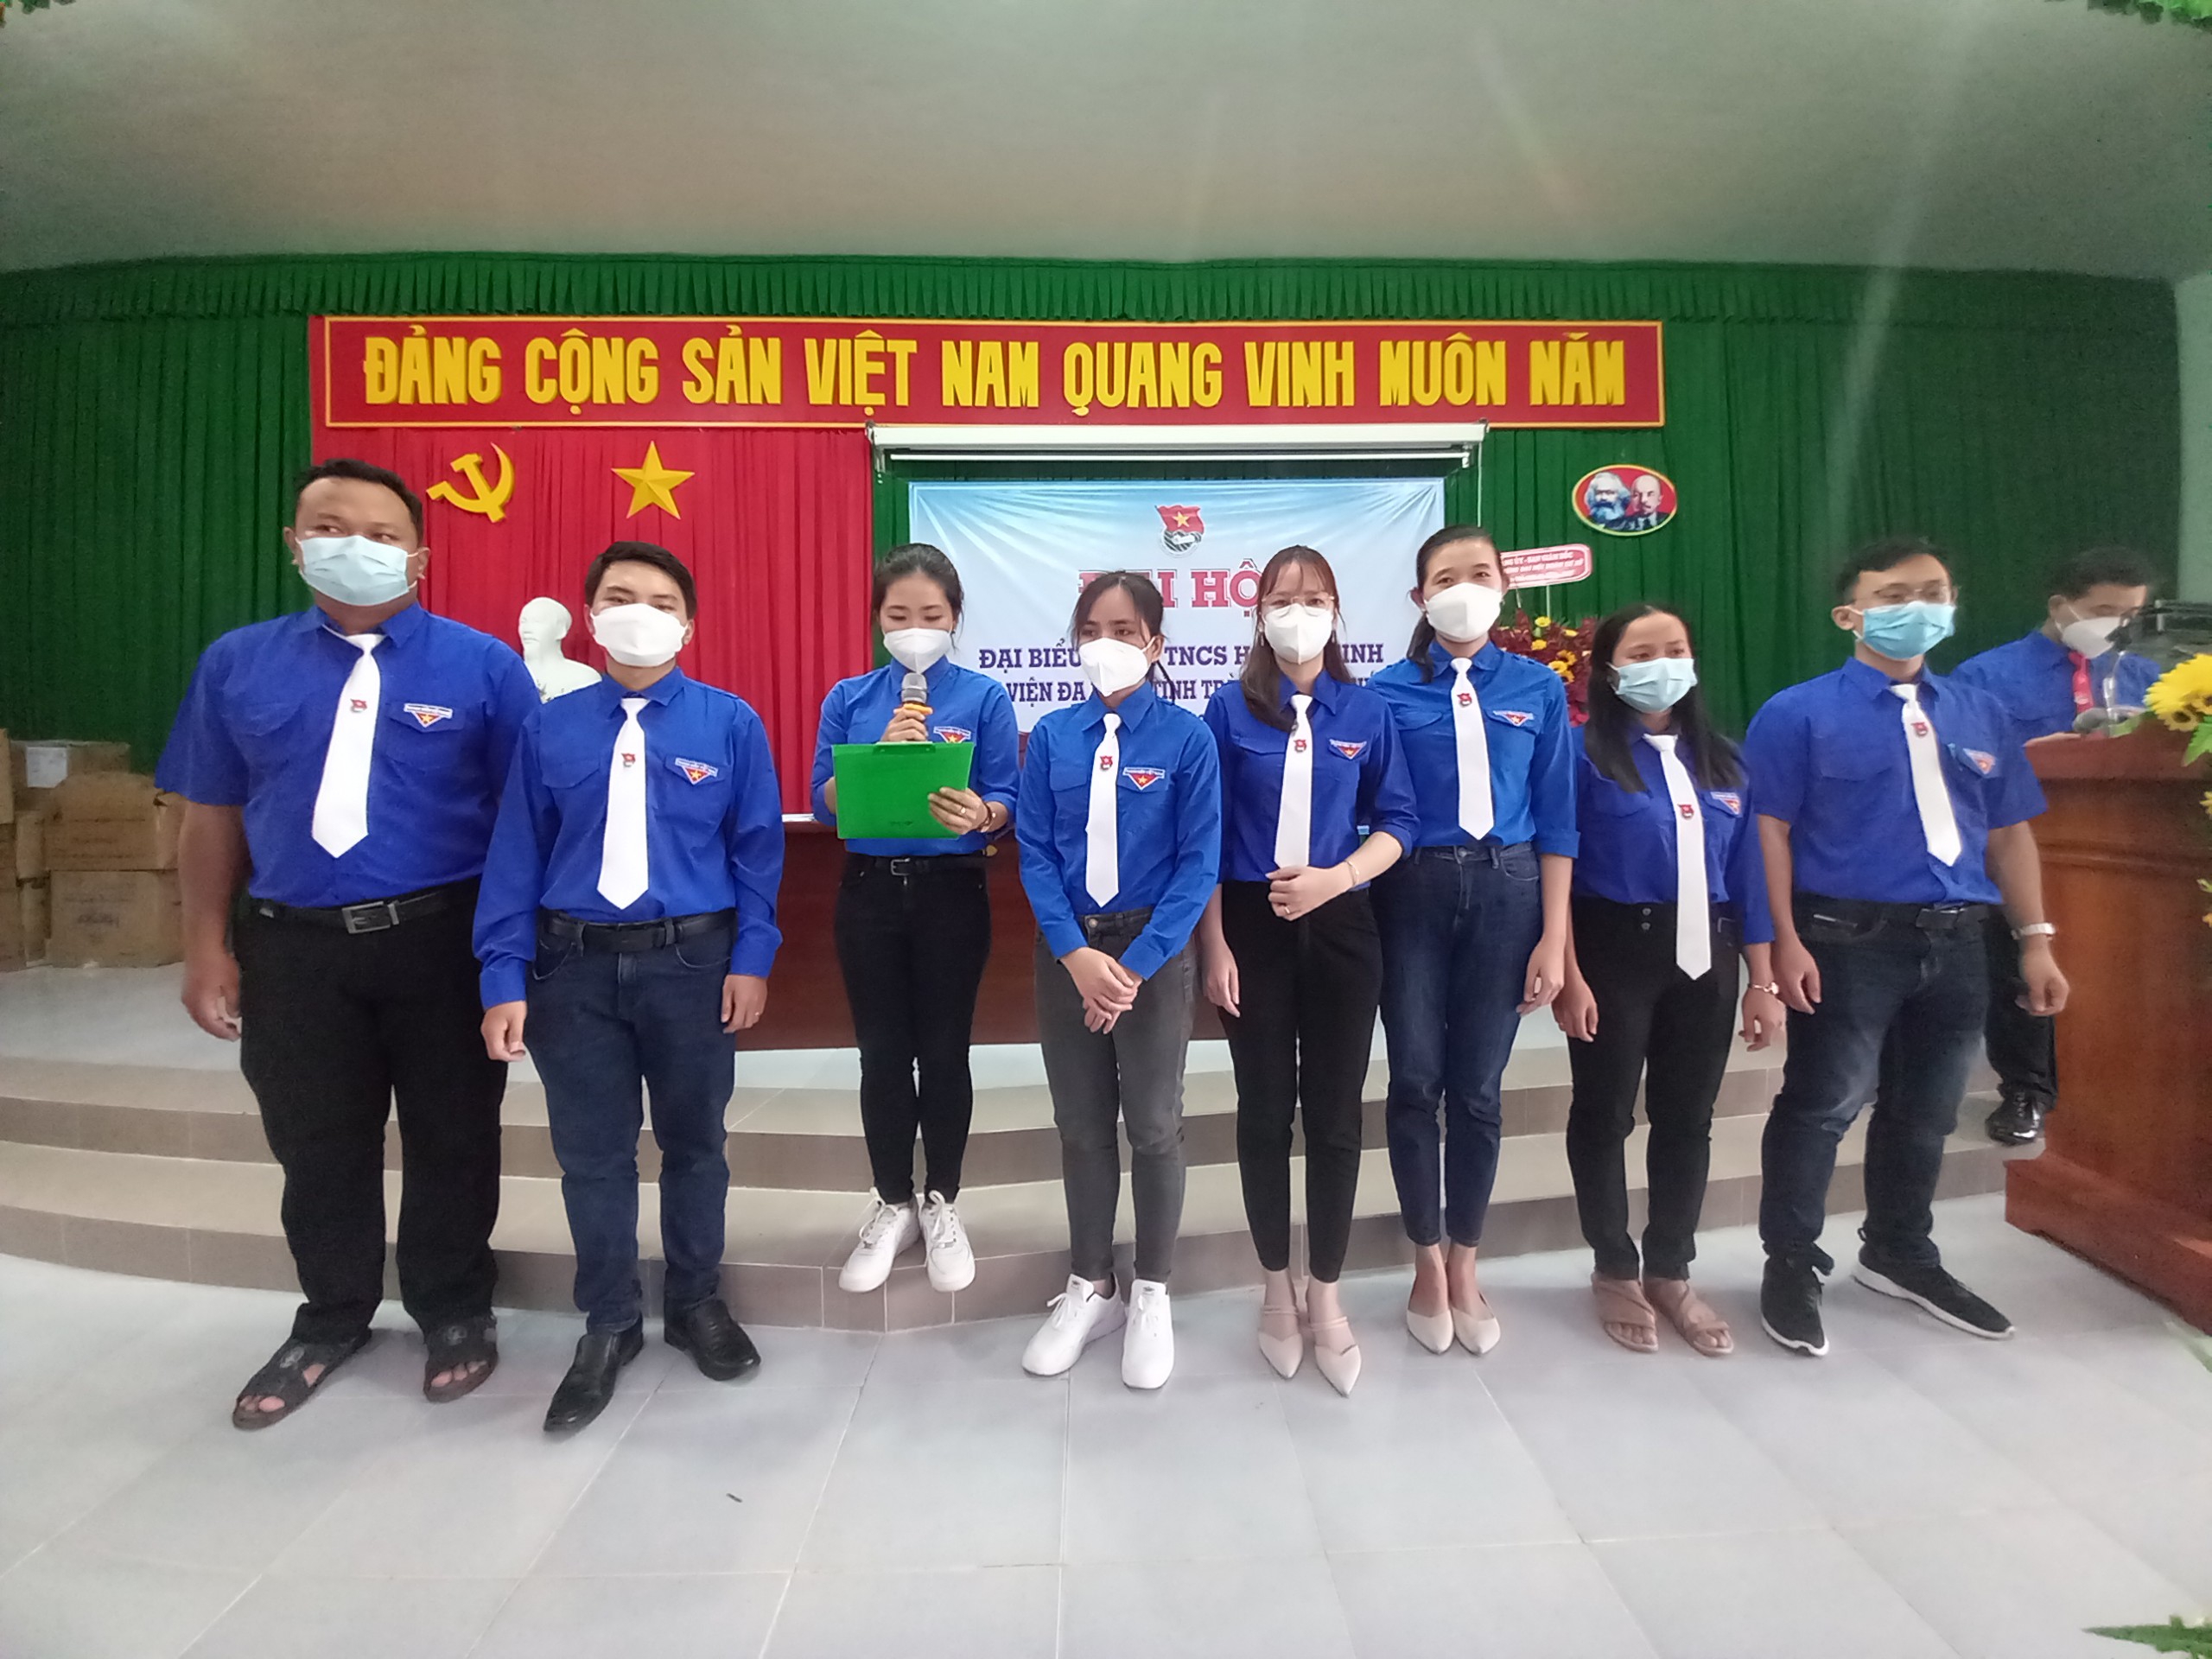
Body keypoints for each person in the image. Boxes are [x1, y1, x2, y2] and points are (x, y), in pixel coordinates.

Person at [158, 458, 537, 1429]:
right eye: (329, 527)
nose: (353, 546)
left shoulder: (484, 667)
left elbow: (526, 821)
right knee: (315, 1141)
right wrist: (204, 944)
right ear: (294, 544)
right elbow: (210, 813)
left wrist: (514, 955)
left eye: (379, 534)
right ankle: (331, 1315)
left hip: (441, 941)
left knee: (455, 1135)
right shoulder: (237, 664)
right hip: (292, 948)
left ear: (418, 558)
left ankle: (455, 1307)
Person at [476, 541, 784, 1432]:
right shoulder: (549, 728)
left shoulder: (730, 724)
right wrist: (502, 975)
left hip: (692, 966)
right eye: (619, 597)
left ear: (688, 625)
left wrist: (752, 959)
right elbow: (516, 855)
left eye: (660, 601)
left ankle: (694, 1303)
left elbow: (756, 853)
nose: (639, 612)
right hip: (569, 970)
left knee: (696, 1146)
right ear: (591, 616)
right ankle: (608, 1321)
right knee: (593, 1157)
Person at [1746, 536, 2068, 1358]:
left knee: (1927, 1110)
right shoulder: (1798, 712)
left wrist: (2035, 940)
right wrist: (1780, 941)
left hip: (1959, 939)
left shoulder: (1979, 712)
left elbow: (2009, 834)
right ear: (1849, 615)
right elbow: (1768, 832)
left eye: (1932, 592)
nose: (1915, 608)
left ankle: (1899, 1251)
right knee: (1822, 1104)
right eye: (1893, 596)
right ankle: (1791, 1261)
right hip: (1846, 939)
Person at [1197, 547, 1417, 1395]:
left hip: (1342, 919)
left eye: (1316, 598)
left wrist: (1340, 877)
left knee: (1333, 1116)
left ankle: (1325, 1289)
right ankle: (1273, 1286)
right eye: (1283, 599)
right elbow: (1207, 839)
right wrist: (1215, 947)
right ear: (1257, 614)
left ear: (1336, 611)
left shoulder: (1365, 710)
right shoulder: (1227, 709)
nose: (1300, 612)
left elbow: (1399, 820)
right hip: (1250, 926)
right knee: (1263, 1112)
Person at [1553, 604, 1783, 1357]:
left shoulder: (1726, 761)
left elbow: (1748, 878)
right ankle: (1614, 1265)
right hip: (1615, 949)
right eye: (1641, 652)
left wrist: (1762, 980)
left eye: (1674, 649)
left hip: (1708, 958)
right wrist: (1570, 974)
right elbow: (1560, 867)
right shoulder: (1582, 755)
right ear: (1609, 670)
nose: (1661, 664)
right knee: (1604, 1114)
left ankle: (1671, 1270)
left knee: (1689, 1118)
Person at [1368, 525, 1577, 1357]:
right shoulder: (1384, 693)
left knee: (1480, 1089)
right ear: (1419, 598)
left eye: (1479, 574)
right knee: (1416, 1079)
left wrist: (1554, 938)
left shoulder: (1538, 687)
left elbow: (1558, 818)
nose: (1463, 590)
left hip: (1510, 889)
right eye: (1445, 579)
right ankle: (1425, 1260)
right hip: (1411, 889)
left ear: (1503, 589)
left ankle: (1465, 1261)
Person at [1015, 571, 1220, 1389]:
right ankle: (1091, 1284)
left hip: (1152, 958)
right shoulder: (1052, 736)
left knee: (1156, 1126)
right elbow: (1035, 852)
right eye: (1092, 630)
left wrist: (1131, 969)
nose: (1108, 644)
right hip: (1067, 952)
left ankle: (1152, 1291)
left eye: (1126, 630)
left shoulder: (1187, 739)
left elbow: (1198, 863)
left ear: (1156, 644)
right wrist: (1075, 956)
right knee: (1081, 1125)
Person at [811, 543, 1018, 1295]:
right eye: (899, 614)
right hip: (868, 893)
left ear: (955, 618)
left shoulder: (985, 698)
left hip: (951, 893)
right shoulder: (850, 698)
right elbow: (824, 800)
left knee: (945, 1051)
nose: (915, 627)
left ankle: (942, 1201)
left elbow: (1008, 797)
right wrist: (875, 755)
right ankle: (892, 1200)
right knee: (882, 1054)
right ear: (878, 620)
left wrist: (984, 812)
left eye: (931, 614)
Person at [1948, 546, 2155, 1145]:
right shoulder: (1986, 676)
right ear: (2061, 605)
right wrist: (2045, 751)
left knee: (2119, 971)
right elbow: (1964, 771)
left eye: (2131, 614)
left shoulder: (2146, 676)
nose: (2117, 624)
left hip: (2125, 853)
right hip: (2021, 847)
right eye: (2105, 610)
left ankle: (2117, 1084)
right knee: (2020, 974)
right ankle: (2027, 1090)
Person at [518, 596, 603, 702]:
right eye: (523, 622)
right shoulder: (507, 676)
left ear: (561, 630)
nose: (527, 630)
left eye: (537, 621)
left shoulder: (584, 678)